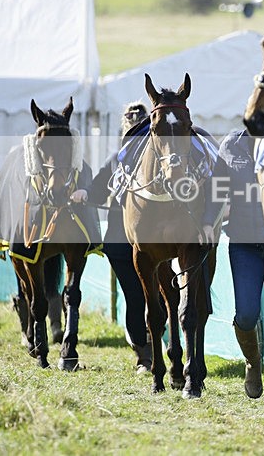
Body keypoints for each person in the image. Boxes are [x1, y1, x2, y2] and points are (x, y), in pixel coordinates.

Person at [201, 128, 264, 403]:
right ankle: (252, 362)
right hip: (243, 244)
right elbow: (217, 188)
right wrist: (207, 220)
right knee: (246, 315)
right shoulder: (231, 145)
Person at [69, 101, 152, 373]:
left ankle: (151, 345)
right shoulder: (117, 160)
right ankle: (143, 354)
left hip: (152, 243)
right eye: (133, 125)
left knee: (156, 298)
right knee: (136, 297)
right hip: (120, 243)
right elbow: (96, 191)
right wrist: (84, 194)